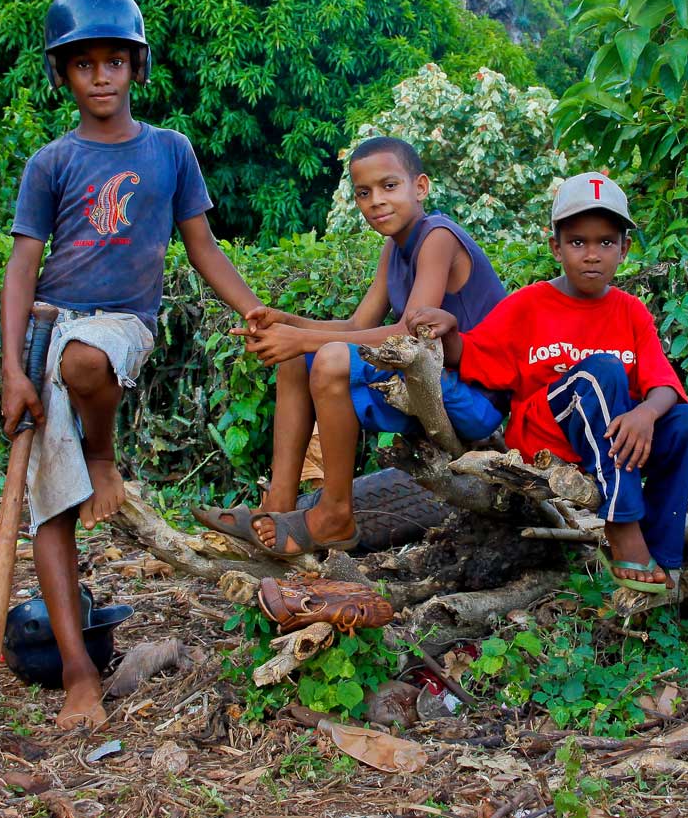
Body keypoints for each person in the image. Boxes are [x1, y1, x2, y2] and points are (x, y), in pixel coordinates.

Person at [0, 0, 263, 729]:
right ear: (65, 77)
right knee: (50, 507)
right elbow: (23, 268)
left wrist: (251, 310)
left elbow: (202, 246)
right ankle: (80, 671)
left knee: (89, 362)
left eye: (115, 60)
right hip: (49, 328)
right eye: (85, 65)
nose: (102, 75)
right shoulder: (50, 162)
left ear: (136, 66)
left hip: (121, 325)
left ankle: (103, 454)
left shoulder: (169, 150)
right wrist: (14, 369)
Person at [406, 172, 688, 599]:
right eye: (578, 242)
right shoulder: (529, 304)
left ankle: (662, 551)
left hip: (616, 444)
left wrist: (646, 413)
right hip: (549, 436)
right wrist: (452, 331)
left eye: (606, 242)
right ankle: (623, 524)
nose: (592, 255)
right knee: (602, 370)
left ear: (624, 249)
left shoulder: (630, 312)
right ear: (556, 246)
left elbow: (663, 383)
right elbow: (476, 357)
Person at [193, 136, 506, 555]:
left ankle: (335, 515)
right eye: (363, 193)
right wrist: (288, 323)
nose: (376, 200)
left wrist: (303, 338)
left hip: (476, 399)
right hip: (431, 386)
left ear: (421, 187)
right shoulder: (393, 250)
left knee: (328, 356)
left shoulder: (439, 237)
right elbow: (359, 324)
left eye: (389, 186)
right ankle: (280, 503)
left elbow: (411, 338)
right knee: (298, 360)